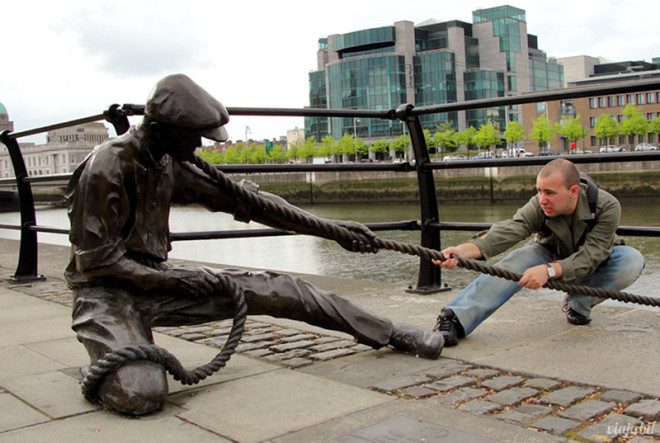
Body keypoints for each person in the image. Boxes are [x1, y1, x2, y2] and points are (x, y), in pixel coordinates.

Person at [65, 74, 444, 416]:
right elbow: (97, 266)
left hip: (159, 281)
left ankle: (390, 331)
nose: (199, 144)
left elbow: (251, 203)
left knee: (283, 289)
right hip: (107, 294)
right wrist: (179, 281)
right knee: (142, 395)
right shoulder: (107, 167)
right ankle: (107, 362)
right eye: (194, 135)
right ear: (164, 128)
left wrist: (333, 229)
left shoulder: (169, 161)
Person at [432, 158, 644, 346]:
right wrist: (464, 250)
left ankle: (579, 304)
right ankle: (456, 317)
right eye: (539, 191)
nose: (542, 199)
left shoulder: (606, 206)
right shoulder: (539, 203)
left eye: (550, 193)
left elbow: (592, 254)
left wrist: (549, 271)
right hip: (549, 251)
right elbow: (513, 228)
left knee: (631, 260)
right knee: (516, 261)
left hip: (593, 259)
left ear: (574, 192)